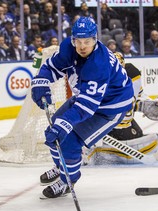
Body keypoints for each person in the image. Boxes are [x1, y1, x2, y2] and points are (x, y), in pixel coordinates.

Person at [31, 17, 134, 199]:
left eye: (87, 41)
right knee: (53, 131)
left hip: (110, 108)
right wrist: (41, 82)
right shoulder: (68, 48)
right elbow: (51, 66)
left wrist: (65, 123)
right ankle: (62, 166)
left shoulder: (98, 64)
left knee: (70, 140)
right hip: (86, 98)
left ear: (95, 40)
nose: (82, 46)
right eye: (78, 41)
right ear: (73, 40)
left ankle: (67, 181)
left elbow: (86, 106)